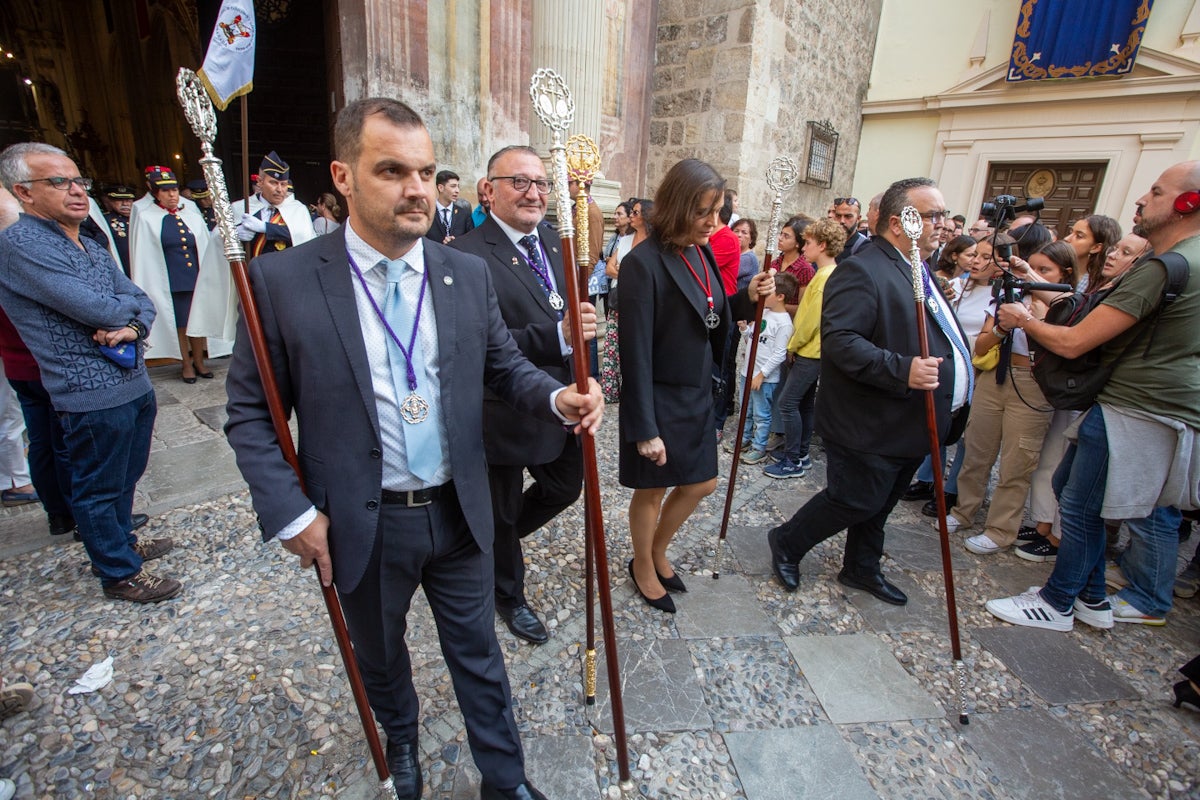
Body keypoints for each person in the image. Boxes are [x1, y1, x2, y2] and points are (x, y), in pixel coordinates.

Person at [224, 98, 602, 800]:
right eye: (392, 170)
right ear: (344, 174)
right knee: (382, 653)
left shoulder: (464, 274)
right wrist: (292, 514)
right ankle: (401, 735)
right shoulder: (280, 283)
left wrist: (555, 397)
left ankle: (506, 779)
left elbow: (502, 366)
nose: (418, 189)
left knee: (480, 655)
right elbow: (250, 414)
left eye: (426, 171)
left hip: (459, 511)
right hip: (363, 521)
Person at [985, 160, 1200, 631]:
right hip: (1148, 404)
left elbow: (1075, 340)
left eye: (1157, 192)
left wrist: (1022, 319)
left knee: (1080, 504)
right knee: (1075, 494)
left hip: (1136, 405)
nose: (1142, 200)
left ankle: (1057, 601)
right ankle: (1093, 596)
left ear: (1189, 203)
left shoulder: (1169, 265)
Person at [767, 177, 971, 606]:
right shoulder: (863, 268)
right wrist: (903, 369)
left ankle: (861, 566)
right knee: (853, 498)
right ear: (899, 223)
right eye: (932, 215)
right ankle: (787, 540)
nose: (944, 224)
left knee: (879, 504)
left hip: (910, 417)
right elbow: (840, 341)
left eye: (942, 214)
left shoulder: (917, 266)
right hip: (871, 418)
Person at [0, 142, 178, 603]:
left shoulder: (86, 240)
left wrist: (132, 324)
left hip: (130, 379)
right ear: (24, 192)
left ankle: (122, 540)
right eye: (59, 182)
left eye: (80, 181)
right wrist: (120, 314)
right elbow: (92, 306)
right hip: (87, 387)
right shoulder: (21, 245)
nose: (77, 191)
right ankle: (118, 572)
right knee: (97, 485)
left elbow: (138, 298)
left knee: (127, 472)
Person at [451, 145, 597, 645]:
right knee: (504, 507)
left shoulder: (559, 244)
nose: (534, 192)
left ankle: (493, 543)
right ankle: (508, 594)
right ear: (488, 189)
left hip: (561, 401)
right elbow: (482, 344)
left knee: (564, 488)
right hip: (503, 410)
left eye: (542, 183)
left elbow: (580, 322)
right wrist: (557, 334)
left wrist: (586, 371)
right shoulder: (466, 256)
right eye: (520, 181)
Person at [618, 159, 773, 613]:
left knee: (701, 482)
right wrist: (644, 427)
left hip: (696, 393)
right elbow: (636, 352)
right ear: (677, 206)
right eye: (703, 211)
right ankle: (643, 565)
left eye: (719, 210)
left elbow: (711, 310)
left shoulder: (699, 250)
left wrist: (749, 296)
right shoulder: (640, 265)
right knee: (652, 489)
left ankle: (657, 550)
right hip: (659, 396)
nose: (713, 222)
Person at [947, 241, 1076, 556]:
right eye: (1030, 268)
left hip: (1032, 383)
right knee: (977, 449)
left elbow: (1061, 344)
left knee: (1018, 462)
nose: (1030, 276)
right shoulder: (1006, 298)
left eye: (1044, 270)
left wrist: (1031, 319)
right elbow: (981, 346)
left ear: (1064, 274)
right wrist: (1003, 328)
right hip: (995, 377)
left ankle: (1001, 529)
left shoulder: (1066, 305)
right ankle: (964, 510)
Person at [764, 217, 847, 479]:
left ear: (822, 245)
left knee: (788, 404)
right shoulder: (827, 274)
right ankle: (800, 452)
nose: (805, 247)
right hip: (813, 350)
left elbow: (811, 319)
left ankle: (792, 460)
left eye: (808, 242)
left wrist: (792, 345)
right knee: (804, 404)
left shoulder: (823, 277)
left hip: (809, 351)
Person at [128, 166, 219, 383]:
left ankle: (199, 360)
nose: (172, 195)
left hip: (194, 276)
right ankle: (185, 362)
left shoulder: (190, 212)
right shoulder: (147, 216)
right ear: (155, 193)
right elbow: (144, 253)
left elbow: (203, 244)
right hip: (171, 279)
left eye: (175, 190)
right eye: (165, 191)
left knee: (198, 321)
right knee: (180, 325)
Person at [736, 272, 796, 465]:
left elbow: (779, 353)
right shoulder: (763, 313)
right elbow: (753, 340)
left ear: (780, 296)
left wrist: (761, 374)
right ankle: (743, 439)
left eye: (768, 292)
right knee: (746, 409)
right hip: (748, 372)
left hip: (763, 377)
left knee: (761, 413)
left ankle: (758, 447)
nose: (762, 296)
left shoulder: (784, 323)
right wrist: (745, 330)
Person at [601, 198, 652, 403]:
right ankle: (611, 389)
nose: (632, 216)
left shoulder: (652, 244)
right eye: (631, 212)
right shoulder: (623, 241)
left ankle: (633, 389)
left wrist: (623, 271)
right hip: (618, 300)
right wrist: (627, 274)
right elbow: (609, 268)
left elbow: (646, 274)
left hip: (640, 303)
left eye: (636, 213)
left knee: (635, 347)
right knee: (613, 345)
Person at [234, 151, 317, 256]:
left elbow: (303, 236)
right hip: (250, 269)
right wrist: (233, 235)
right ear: (260, 182)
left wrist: (265, 227)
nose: (279, 189)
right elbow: (217, 239)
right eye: (273, 183)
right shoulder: (241, 207)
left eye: (283, 184)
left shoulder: (297, 209)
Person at [1061, 214, 1120, 294]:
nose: (1066, 239)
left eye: (1079, 236)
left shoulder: (1098, 286)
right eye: (1071, 232)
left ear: (1096, 247)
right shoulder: (1058, 268)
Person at [426, 169, 473, 243]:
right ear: (440, 188)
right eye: (453, 186)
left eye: (458, 186)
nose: (457, 190)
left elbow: (471, 239)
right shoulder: (427, 212)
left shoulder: (464, 214)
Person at [100, 184, 135, 275]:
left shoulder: (140, 218)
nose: (125, 204)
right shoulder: (104, 221)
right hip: (122, 269)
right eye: (120, 200)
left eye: (129, 200)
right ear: (109, 201)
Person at [832, 196, 868, 262]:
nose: (842, 221)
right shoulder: (827, 242)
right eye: (838, 216)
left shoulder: (864, 247)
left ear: (858, 218)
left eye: (848, 216)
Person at [732, 218, 759, 291]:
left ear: (751, 239)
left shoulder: (748, 258)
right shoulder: (734, 254)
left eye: (744, 232)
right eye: (736, 231)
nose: (739, 235)